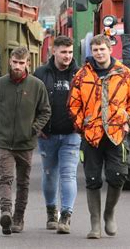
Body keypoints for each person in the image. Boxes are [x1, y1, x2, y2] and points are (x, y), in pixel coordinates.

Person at [68, 34, 130, 239]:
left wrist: (128, 122)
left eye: (102, 49)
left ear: (110, 50)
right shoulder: (82, 75)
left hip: (117, 134)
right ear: (92, 52)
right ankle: (95, 225)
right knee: (92, 179)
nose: (99, 53)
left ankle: (109, 214)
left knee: (117, 176)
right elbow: (73, 104)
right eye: (95, 50)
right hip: (91, 135)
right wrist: (82, 123)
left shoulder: (125, 74)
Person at [0, 46, 51, 236]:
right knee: (6, 179)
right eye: (15, 62)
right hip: (4, 142)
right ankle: (6, 213)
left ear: (28, 63)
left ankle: (18, 218)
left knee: (23, 183)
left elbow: (45, 111)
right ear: (10, 61)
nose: (18, 66)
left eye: (21, 63)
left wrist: (34, 129)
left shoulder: (37, 85)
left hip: (26, 143)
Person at [33, 35, 80, 234]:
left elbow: (88, 102)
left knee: (68, 175)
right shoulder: (41, 73)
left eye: (70, 52)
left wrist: (82, 126)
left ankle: (66, 216)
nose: (67, 56)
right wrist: (36, 127)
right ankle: (51, 211)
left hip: (71, 134)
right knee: (50, 175)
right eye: (63, 52)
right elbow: (31, 103)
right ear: (54, 52)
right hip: (47, 136)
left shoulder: (80, 74)